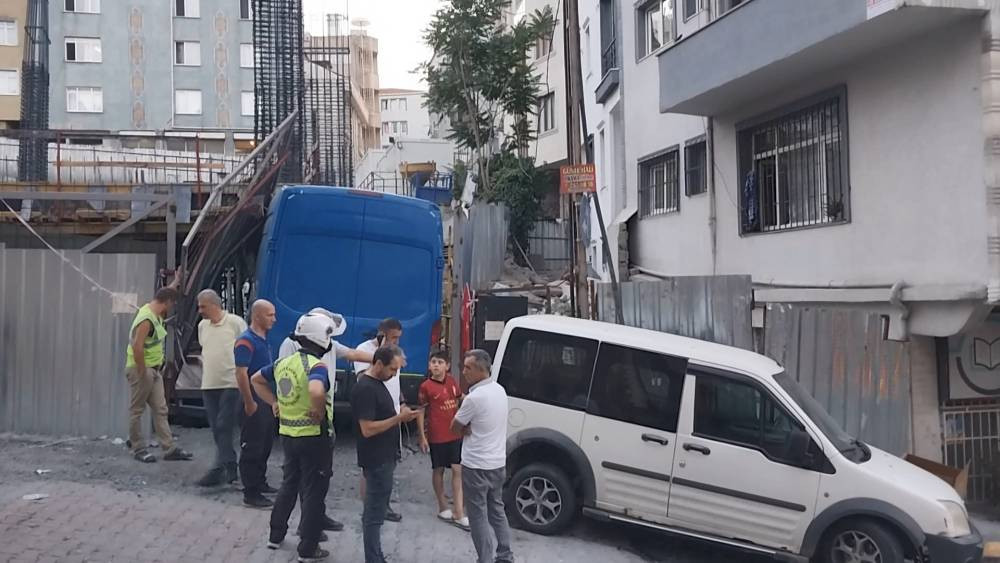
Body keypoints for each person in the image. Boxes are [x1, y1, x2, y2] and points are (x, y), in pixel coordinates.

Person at [251, 312, 336, 563]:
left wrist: (274, 403)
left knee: (290, 484)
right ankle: (308, 548)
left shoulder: (283, 363)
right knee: (314, 492)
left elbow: (256, 379)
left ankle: (275, 535)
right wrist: (319, 411)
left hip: (288, 434)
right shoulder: (316, 366)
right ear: (321, 339)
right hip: (313, 437)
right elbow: (316, 389)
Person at [278, 307, 373, 531]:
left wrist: (381, 358)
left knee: (316, 478)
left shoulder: (328, 344)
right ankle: (307, 529)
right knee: (306, 479)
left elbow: (352, 354)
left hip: (317, 418)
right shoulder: (292, 346)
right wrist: (309, 408)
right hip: (305, 419)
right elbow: (285, 378)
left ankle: (310, 519)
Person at [351, 345, 421, 563]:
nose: (393, 375)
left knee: (378, 510)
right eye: (392, 369)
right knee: (373, 514)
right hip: (376, 458)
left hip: (386, 455)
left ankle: (376, 555)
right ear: (378, 364)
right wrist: (398, 420)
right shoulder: (366, 388)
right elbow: (367, 428)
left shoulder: (379, 384)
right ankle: (374, 558)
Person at [451, 350, 512, 563]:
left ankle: (485, 558)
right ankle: (505, 554)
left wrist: (465, 427)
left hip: (476, 464)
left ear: (480, 369)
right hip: (497, 462)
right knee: (496, 508)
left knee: (477, 515)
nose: (464, 372)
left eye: (468, 367)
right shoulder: (500, 390)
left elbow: (454, 427)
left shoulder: (474, 398)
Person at [125, 286, 193, 463]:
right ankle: (137, 447)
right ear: (168, 302)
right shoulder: (146, 319)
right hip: (143, 369)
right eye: (172, 304)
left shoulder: (153, 312)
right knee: (137, 410)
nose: (171, 308)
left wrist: (176, 281)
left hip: (154, 370)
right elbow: (137, 347)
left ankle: (169, 448)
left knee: (161, 409)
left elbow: (166, 292)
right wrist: (142, 372)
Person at [194, 289, 248, 487]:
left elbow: (245, 346)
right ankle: (225, 466)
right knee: (216, 427)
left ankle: (226, 466)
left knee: (224, 424)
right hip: (209, 383)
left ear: (214, 305)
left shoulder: (235, 323)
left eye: (203, 306)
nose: (200, 310)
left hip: (231, 383)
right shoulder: (202, 326)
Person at [354, 318, 405, 522]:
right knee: (371, 468)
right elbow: (364, 379)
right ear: (382, 334)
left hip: (392, 413)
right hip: (375, 414)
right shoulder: (365, 350)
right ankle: (370, 508)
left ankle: (384, 504)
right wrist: (382, 351)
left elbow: (395, 380)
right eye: (393, 338)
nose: (396, 342)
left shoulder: (394, 354)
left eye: (399, 339)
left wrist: (401, 401)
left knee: (389, 465)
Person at [416, 350, 469, 530]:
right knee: (438, 469)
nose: (436, 365)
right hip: (437, 435)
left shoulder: (453, 382)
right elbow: (421, 411)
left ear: (447, 366)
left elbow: (462, 399)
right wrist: (422, 436)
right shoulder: (425, 387)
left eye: (440, 362)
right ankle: (442, 505)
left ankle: (459, 511)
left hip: (455, 434)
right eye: (433, 362)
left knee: (457, 469)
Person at [235, 299, 278, 508]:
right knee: (252, 445)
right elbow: (241, 373)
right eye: (270, 315)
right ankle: (250, 492)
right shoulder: (246, 340)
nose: (274, 319)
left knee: (265, 442)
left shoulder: (263, 338)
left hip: (265, 396)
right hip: (253, 396)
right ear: (257, 315)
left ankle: (260, 482)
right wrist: (249, 401)